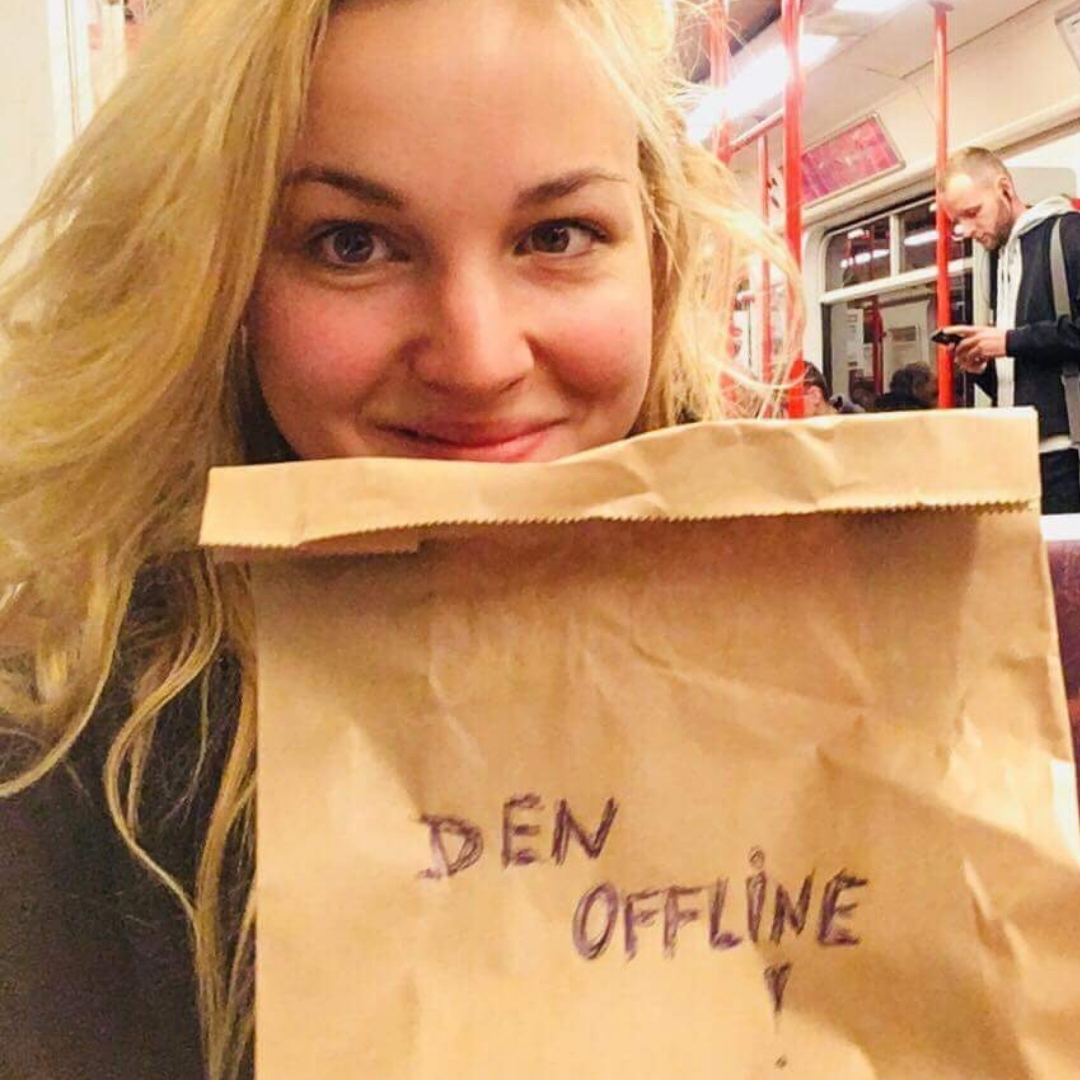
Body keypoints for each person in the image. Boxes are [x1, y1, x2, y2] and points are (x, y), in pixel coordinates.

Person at [0, 1, 797, 1077]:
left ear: (657, 253)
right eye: (353, 244)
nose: (478, 359)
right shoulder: (73, 749)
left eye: (556, 236)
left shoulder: (840, 643)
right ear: (222, 279)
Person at [938, 146, 1080, 514]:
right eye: (958, 221)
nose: (967, 230)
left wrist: (1009, 341)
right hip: (1019, 454)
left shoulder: (1069, 235)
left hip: (1067, 453)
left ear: (1005, 189)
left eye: (973, 213)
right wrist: (984, 366)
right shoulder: (1001, 261)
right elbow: (1027, 372)